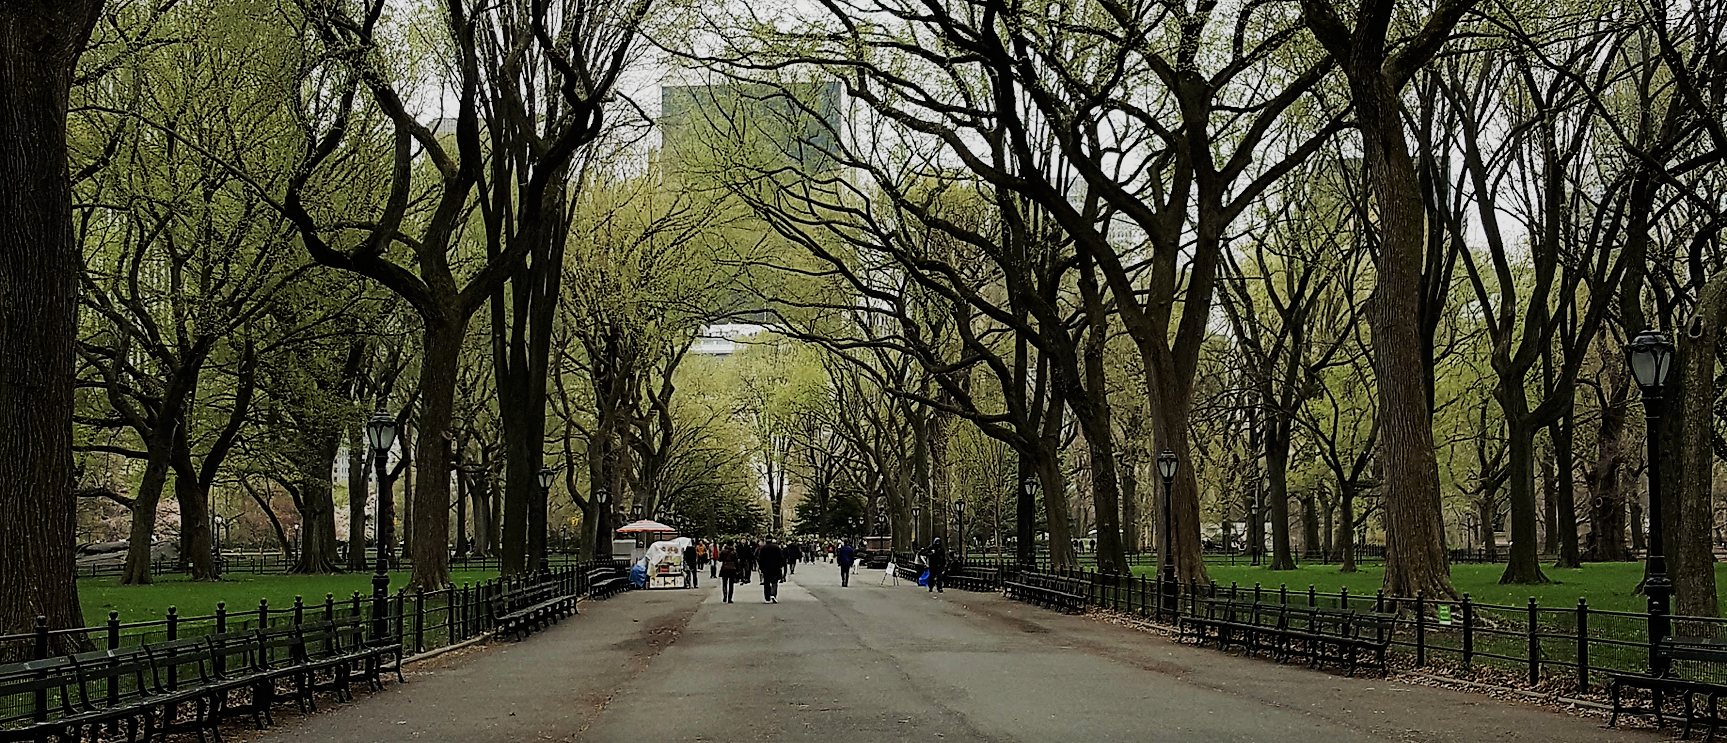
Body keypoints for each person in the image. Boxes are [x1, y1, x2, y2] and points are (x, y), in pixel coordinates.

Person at [756, 537, 786, 603]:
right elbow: (781, 557)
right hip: (775, 567)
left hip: (766, 568)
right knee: (774, 581)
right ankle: (773, 594)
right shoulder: (776, 548)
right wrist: (781, 565)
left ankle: (767, 597)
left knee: (766, 582)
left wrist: (761, 567)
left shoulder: (763, 548)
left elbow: (759, 559)